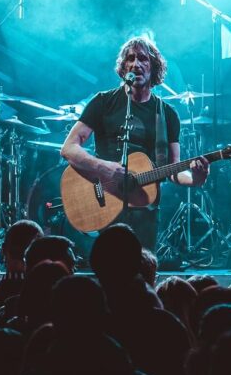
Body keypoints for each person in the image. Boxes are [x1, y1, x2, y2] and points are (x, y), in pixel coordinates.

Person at [60, 36, 209, 251]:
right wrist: (104, 167)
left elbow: (173, 169)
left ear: (153, 67)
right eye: (130, 58)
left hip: (144, 209)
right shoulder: (103, 102)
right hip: (105, 202)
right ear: (123, 67)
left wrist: (196, 178)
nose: (135, 64)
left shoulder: (166, 115)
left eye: (143, 59)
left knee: (142, 273)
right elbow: (69, 148)